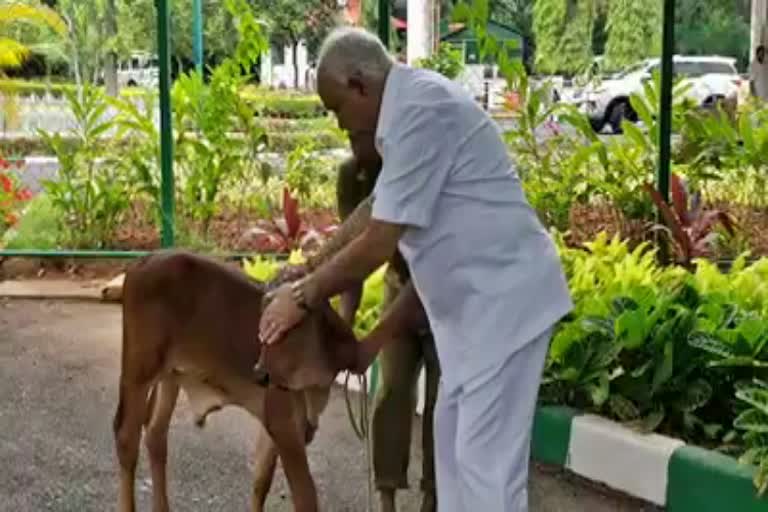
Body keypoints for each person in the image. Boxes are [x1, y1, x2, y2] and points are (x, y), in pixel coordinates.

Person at [259, 26, 573, 512]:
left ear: (360, 84)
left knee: (484, 470)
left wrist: (303, 297)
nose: (341, 126)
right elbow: (371, 214)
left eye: (337, 108)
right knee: (453, 455)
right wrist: (308, 271)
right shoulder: (404, 119)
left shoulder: (421, 113)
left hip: (505, 308)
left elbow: (379, 243)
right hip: (474, 319)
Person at [335, 142, 440, 512]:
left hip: (443, 291)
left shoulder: (417, 163)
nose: (350, 134)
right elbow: (352, 256)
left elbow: (427, 274)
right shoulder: (351, 175)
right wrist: (344, 328)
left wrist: (371, 340)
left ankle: (433, 497)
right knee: (392, 390)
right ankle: (386, 498)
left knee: (440, 405)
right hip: (399, 284)